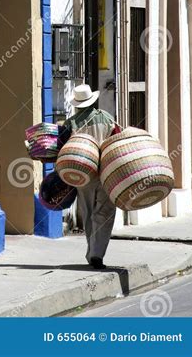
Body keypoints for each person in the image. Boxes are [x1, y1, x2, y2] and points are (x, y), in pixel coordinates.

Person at [63, 84, 117, 270]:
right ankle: (96, 253)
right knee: (105, 212)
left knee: (87, 213)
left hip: (82, 173)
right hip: (105, 172)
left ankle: (92, 250)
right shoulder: (107, 119)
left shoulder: (71, 123)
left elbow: (62, 148)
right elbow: (118, 141)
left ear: (77, 104)